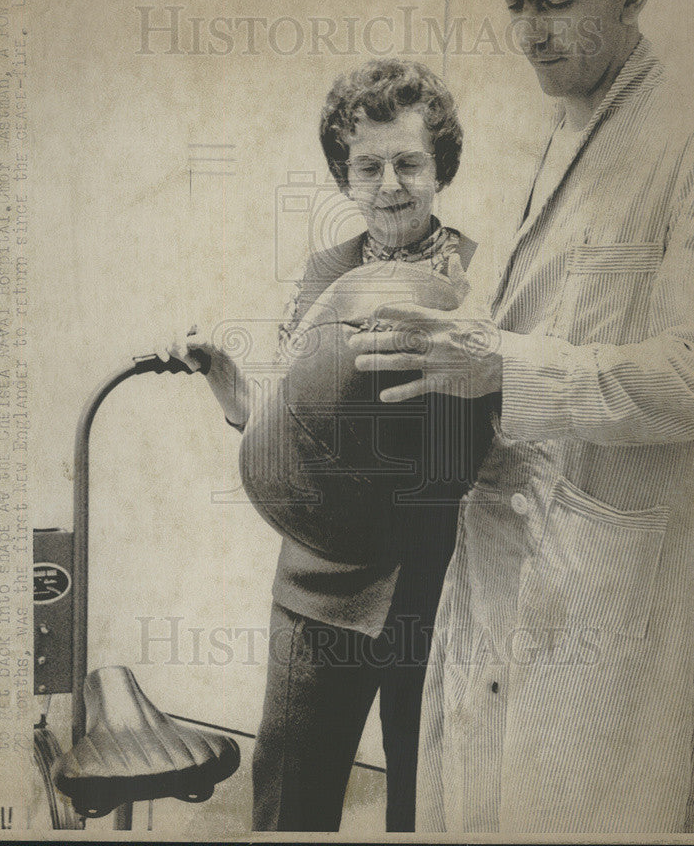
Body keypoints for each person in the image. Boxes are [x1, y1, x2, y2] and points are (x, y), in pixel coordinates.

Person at [347, 0, 694, 835]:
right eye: (513, 3)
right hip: (495, 564)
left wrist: (501, 369)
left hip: (610, 593)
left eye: (557, 0)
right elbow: (508, 341)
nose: (530, 31)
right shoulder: (551, 131)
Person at [166, 58, 480, 831]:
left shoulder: (481, 277)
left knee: (424, 806)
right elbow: (287, 429)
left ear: (441, 168)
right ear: (344, 176)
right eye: (367, 166)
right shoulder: (321, 276)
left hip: (431, 586)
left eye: (409, 163)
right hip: (316, 588)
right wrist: (227, 381)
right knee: (289, 807)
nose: (390, 185)